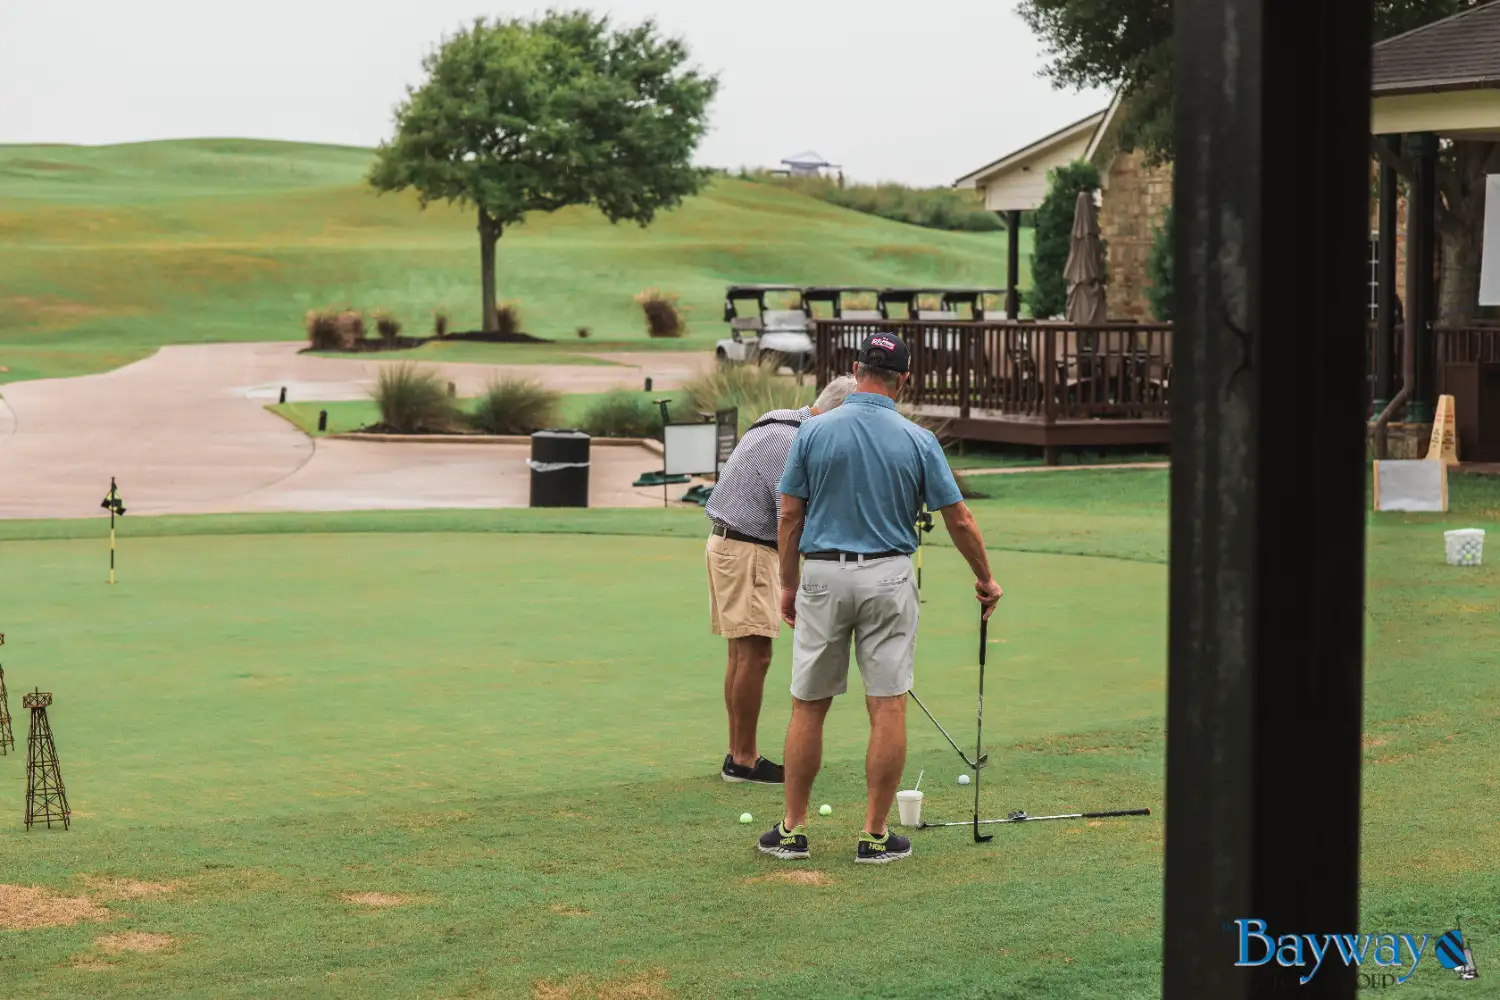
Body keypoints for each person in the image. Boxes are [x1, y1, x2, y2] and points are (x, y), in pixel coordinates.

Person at [757, 333, 1002, 863]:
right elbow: (957, 517)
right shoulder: (918, 439)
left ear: (855, 368)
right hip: (889, 576)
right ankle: (873, 835)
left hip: (823, 574)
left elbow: (790, 514)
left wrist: (788, 582)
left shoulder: (814, 430)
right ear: (904, 380)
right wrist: (985, 577)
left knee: (809, 704)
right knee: (887, 702)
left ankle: (793, 830)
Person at [705, 374, 858, 784]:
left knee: (742, 655)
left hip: (727, 544)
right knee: (755, 656)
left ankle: (738, 753)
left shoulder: (779, 419)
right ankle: (743, 759)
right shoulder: (795, 444)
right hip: (749, 550)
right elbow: (789, 521)